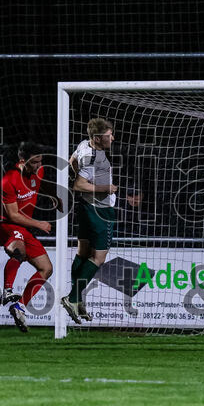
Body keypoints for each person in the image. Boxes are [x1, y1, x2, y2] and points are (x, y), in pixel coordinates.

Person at [0, 142, 55, 332]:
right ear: (22, 161)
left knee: (46, 268)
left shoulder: (39, 171)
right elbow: (13, 215)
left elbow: (41, 184)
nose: (38, 166)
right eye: (34, 162)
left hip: (24, 227)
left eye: (40, 161)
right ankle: (7, 290)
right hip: (7, 225)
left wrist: (56, 196)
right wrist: (39, 224)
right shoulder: (9, 180)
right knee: (19, 251)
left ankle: (19, 306)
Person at [63, 118, 119, 325]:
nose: (112, 138)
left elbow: (71, 161)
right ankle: (72, 298)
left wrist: (84, 178)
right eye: (109, 135)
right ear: (97, 138)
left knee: (83, 253)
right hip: (100, 211)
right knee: (98, 258)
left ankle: (77, 298)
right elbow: (78, 185)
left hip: (87, 206)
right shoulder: (94, 157)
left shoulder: (83, 145)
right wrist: (106, 189)